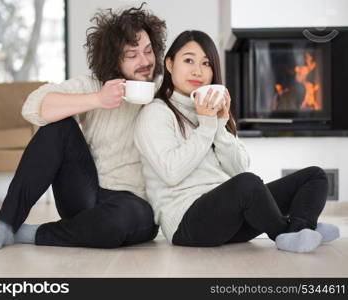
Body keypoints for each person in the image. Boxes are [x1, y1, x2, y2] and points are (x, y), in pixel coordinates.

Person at [0, 3, 167, 251]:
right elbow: (33, 107)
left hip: (133, 204)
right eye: (132, 55)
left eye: (148, 51)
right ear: (113, 59)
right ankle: (6, 223)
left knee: (118, 221)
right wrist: (97, 99)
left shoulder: (165, 89)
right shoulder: (94, 86)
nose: (145, 61)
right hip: (86, 193)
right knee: (57, 127)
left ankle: (33, 234)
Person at [134, 30, 339, 253]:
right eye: (189, 60)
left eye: (206, 63)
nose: (198, 70)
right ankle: (287, 233)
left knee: (314, 176)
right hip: (187, 223)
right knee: (248, 184)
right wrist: (206, 127)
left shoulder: (212, 112)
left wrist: (220, 126)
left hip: (230, 217)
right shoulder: (155, 113)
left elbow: (239, 169)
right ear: (170, 64)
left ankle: (302, 228)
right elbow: (171, 173)